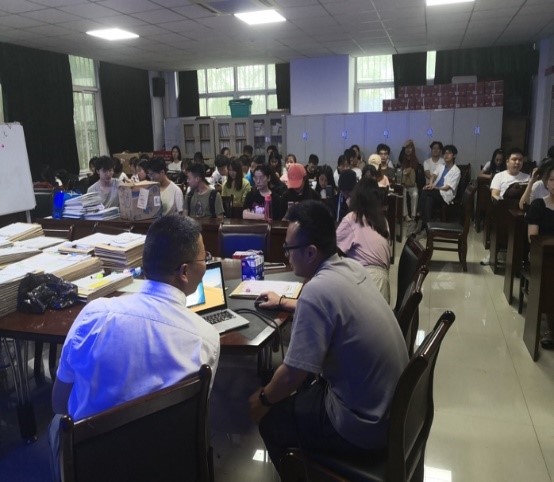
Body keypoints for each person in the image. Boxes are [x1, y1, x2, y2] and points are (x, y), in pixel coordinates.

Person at [49, 215, 220, 482]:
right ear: (184, 272)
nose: (206, 264)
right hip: (169, 465)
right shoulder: (206, 338)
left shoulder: (94, 315)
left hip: (93, 466)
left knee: (55, 426)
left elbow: (59, 402)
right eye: (204, 258)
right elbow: (196, 415)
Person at [249, 200, 408, 475]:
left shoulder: (316, 292)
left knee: (272, 419)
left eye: (289, 249)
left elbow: (292, 375)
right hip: (388, 411)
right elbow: (334, 310)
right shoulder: (352, 267)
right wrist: (285, 302)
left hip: (362, 426)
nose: (287, 255)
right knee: (303, 391)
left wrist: (262, 399)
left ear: (310, 252)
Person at [336, 177, 391, 302]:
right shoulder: (383, 221)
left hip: (366, 281)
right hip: (383, 283)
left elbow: (331, 250)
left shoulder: (353, 218)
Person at [525, 161, 554, 349]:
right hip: (542, 256)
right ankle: (550, 328)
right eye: (552, 180)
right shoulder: (538, 205)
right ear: (546, 182)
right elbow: (533, 239)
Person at [416, 144, 461, 238]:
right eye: (444, 153)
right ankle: (427, 229)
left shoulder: (456, 171)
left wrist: (433, 188)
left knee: (425, 191)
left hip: (445, 195)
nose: (446, 155)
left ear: (454, 155)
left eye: (449, 153)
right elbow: (433, 175)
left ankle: (419, 216)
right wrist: (430, 184)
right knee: (428, 199)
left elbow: (447, 188)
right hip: (435, 193)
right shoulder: (441, 166)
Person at [399, 140, 419, 221]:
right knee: (402, 193)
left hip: (412, 184)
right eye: (406, 148)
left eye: (410, 147)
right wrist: (404, 146)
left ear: (413, 149)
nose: (408, 149)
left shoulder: (415, 160)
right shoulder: (402, 159)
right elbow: (401, 156)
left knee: (415, 194)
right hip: (403, 184)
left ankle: (413, 215)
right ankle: (405, 215)